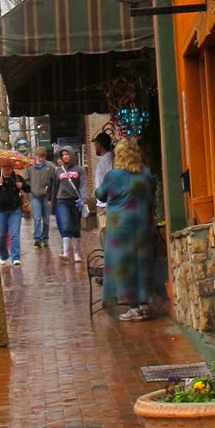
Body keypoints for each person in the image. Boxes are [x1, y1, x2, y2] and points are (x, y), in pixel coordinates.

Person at [96, 135, 157, 319]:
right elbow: (152, 191)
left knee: (125, 266)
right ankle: (144, 304)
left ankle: (133, 308)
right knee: (142, 263)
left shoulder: (114, 176)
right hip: (143, 225)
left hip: (120, 228)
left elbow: (100, 194)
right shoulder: (145, 173)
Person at [0, 159, 30, 265]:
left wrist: (22, 186)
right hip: (0, 211)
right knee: (1, 235)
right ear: (1, 168)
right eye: (4, 167)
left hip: (14, 210)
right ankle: (4, 254)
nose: (7, 169)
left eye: (9, 167)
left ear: (12, 168)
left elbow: (28, 188)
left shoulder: (17, 178)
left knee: (14, 234)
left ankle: (15, 257)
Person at [51, 146, 86, 264]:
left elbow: (83, 185)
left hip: (75, 201)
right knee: (65, 225)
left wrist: (83, 198)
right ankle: (65, 252)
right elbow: (54, 188)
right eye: (63, 155)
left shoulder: (79, 169)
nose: (65, 156)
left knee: (76, 226)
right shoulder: (58, 171)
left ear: (72, 155)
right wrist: (53, 204)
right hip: (62, 201)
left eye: (67, 154)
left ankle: (76, 252)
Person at [27, 145, 55, 248]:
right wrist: (30, 192)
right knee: (37, 218)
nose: (41, 159)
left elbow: (53, 180)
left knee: (46, 219)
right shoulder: (30, 167)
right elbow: (27, 180)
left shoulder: (50, 166)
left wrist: (50, 192)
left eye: (43, 157)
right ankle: (37, 238)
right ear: (36, 156)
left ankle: (45, 238)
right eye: (39, 157)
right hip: (35, 196)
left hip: (46, 196)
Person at [92, 132, 114, 234]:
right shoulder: (105, 159)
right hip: (102, 203)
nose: (95, 147)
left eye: (95, 144)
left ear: (100, 145)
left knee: (106, 235)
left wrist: (108, 204)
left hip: (105, 204)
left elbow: (112, 181)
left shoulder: (108, 159)